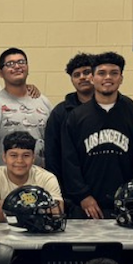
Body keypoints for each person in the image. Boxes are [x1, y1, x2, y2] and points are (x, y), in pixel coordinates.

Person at [60, 52, 133, 220]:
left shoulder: (132, 113)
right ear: (92, 78)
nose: (108, 77)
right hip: (85, 204)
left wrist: (131, 195)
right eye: (102, 73)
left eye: (114, 73)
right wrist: (83, 196)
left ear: (121, 78)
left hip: (123, 202)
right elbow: (69, 162)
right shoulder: (76, 116)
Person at [0, 47, 53, 172]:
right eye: (10, 64)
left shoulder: (43, 101)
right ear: (1, 73)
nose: (17, 66)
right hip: (7, 181)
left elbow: (53, 142)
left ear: (27, 68)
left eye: (21, 62)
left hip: (40, 178)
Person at [0, 132, 63, 223]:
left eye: (26, 155)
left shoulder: (47, 178)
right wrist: (36, 210)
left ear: (33, 158)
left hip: (38, 234)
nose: (19, 161)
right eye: (13, 155)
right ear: (4, 157)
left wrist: (8, 207)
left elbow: (57, 210)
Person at [43, 53, 94, 186]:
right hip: (70, 191)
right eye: (76, 75)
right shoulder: (60, 113)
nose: (82, 77)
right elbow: (52, 154)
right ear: (71, 80)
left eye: (87, 72)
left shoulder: (112, 109)